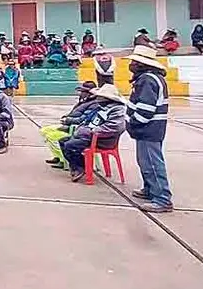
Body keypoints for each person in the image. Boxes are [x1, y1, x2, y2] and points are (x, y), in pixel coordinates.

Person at [126, 45, 173, 212]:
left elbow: (146, 108)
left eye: (134, 62)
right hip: (148, 128)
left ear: (142, 64)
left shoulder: (148, 80)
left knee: (152, 163)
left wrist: (134, 122)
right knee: (144, 161)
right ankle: (149, 189)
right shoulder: (150, 78)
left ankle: (162, 198)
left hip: (148, 128)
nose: (131, 64)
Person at [59, 84, 128, 182]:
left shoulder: (118, 110)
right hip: (88, 136)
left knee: (70, 145)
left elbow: (115, 127)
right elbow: (86, 119)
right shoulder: (100, 107)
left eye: (101, 97)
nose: (98, 99)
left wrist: (92, 131)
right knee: (63, 141)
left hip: (103, 140)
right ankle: (79, 166)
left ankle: (80, 167)